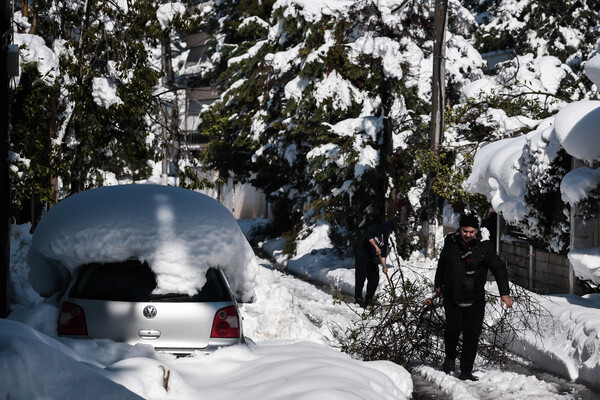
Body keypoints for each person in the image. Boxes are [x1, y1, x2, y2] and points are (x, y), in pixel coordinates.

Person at [434, 213, 513, 381]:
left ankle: (466, 370)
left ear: (477, 231)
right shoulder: (451, 242)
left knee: (472, 335)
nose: (468, 235)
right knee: (452, 331)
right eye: (465, 231)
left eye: (471, 232)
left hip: (475, 299)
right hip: (452, 296)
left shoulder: (485, 248)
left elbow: (498, 269)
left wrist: (504, 293)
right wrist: (438, 284)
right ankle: (450, 358)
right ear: (459, 229)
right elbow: (442, 263)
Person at [355, 220, 395, 307]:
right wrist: (376, 246)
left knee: (374, 277)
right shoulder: (375, 228)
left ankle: (369, 298)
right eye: (390, 230)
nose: (391, 232)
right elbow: (368, 236)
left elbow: (383, 253)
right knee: (361, 276)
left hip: (372, 258)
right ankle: (358, 298)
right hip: (362, 254)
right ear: (387, 228)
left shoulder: (385, 238)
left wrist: (384, 267)